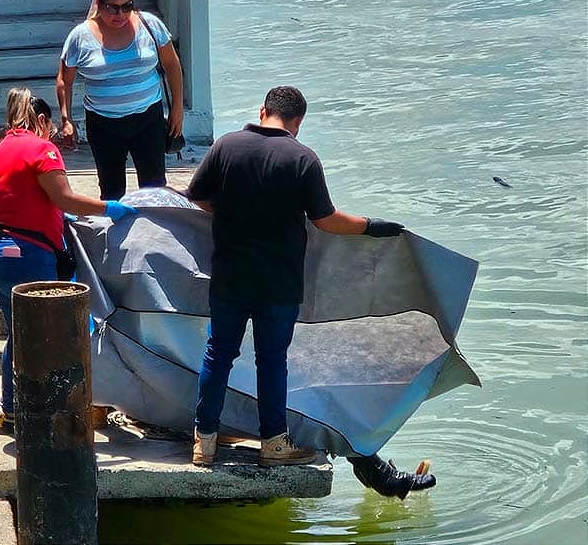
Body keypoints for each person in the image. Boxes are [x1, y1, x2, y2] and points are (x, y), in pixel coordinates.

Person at [186, 86, 436, 499]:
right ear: (297, 122)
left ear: (262, 110)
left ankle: (204, 441)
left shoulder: (226, 146)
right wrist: (372, 226)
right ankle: (273, 444)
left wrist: (233, 214)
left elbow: (198, 198)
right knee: (271, 362)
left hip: (230, 274)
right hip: (279, 281)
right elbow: (326, 220)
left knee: (219, 354)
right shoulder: (302, 158)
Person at [0, 87, 138, 435]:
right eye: (50, 127)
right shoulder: (42, 148)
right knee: (53, 336)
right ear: (41, 120)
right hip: (29, 257)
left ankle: (10, 411)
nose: (52, 135)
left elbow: (24, 198)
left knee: (17, 335)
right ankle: (51, 414)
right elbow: (65, 198)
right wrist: (108, 208)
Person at [56, 0, 184, 200]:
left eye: (126, 7)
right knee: (111, 189)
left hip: (148, 118)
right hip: (103, 123)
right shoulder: (80, 36)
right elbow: (64, 80)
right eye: (113, 8)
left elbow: (172, 65)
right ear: (99, 6)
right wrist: (66, 119)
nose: (121, 15)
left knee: (155, 189)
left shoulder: (150, 25)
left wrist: (178, 108)